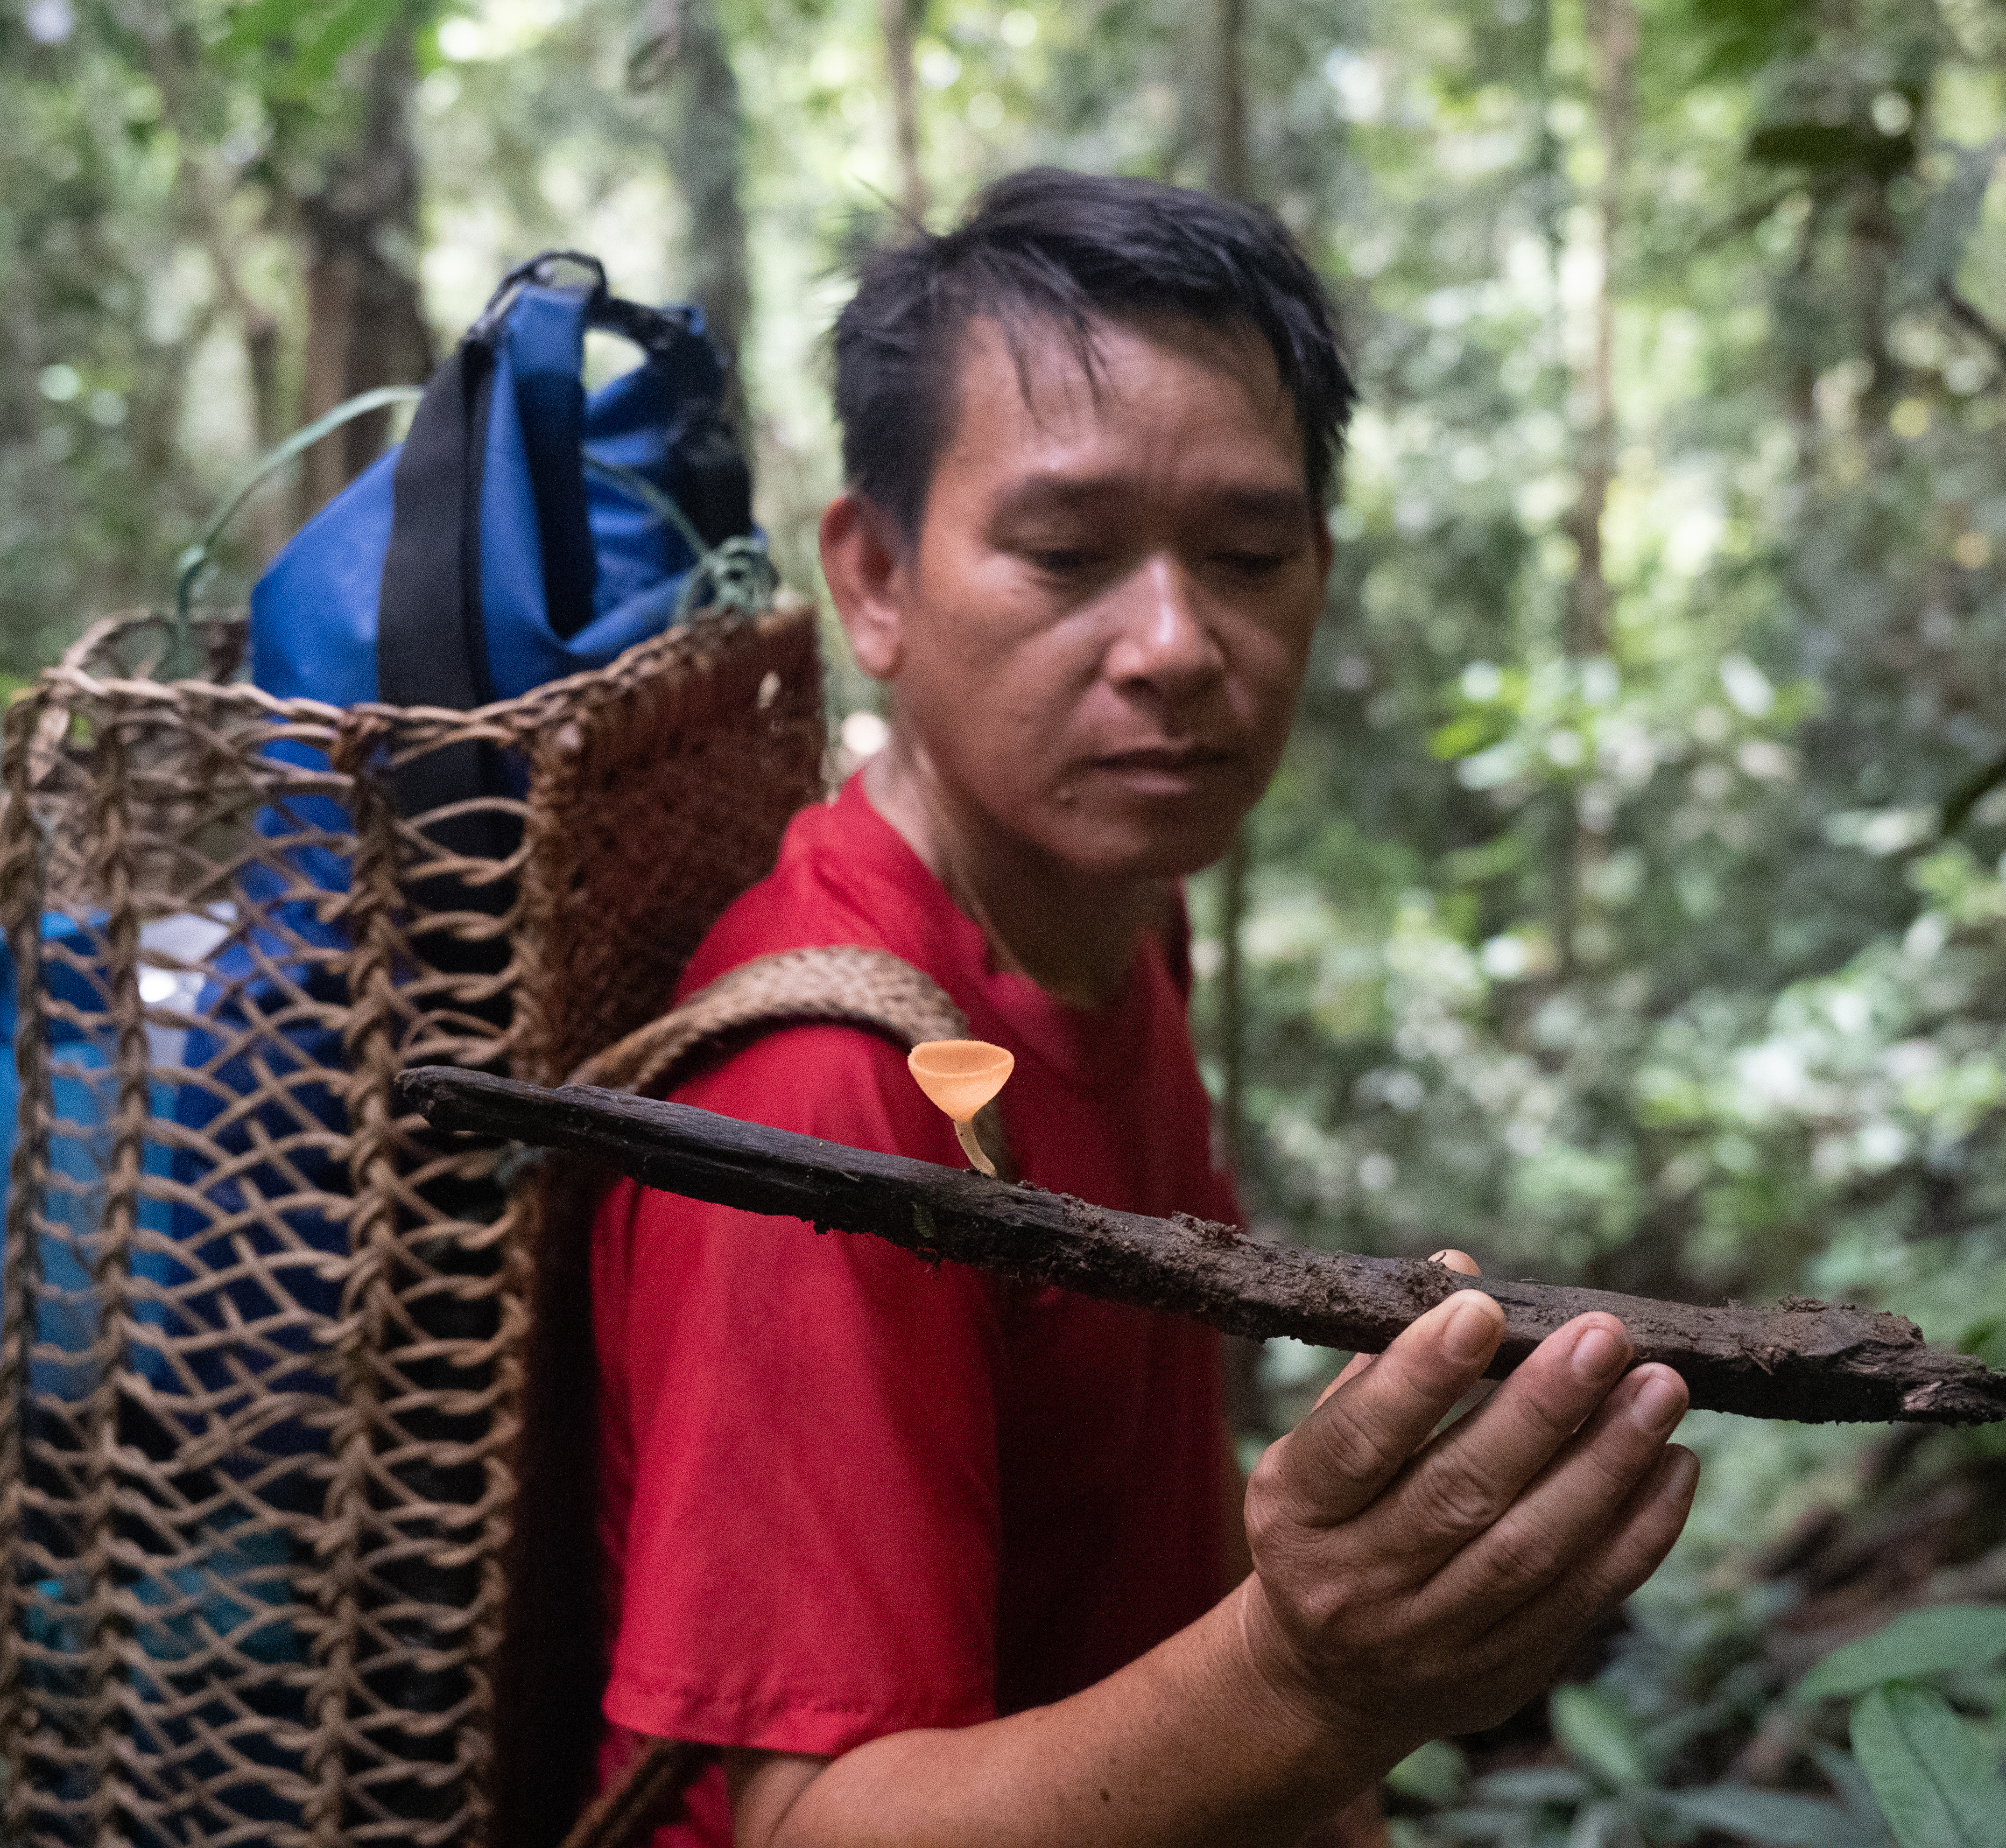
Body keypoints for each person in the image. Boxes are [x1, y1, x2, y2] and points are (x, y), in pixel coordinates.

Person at [583, 169, 1700, 1848]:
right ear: (874, 580)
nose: (1177, 643)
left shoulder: (1114, 922)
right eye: (1066, 552)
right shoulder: (821, 1095)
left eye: (1248, 553)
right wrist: (1315, 1683)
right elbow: (811, 1828)